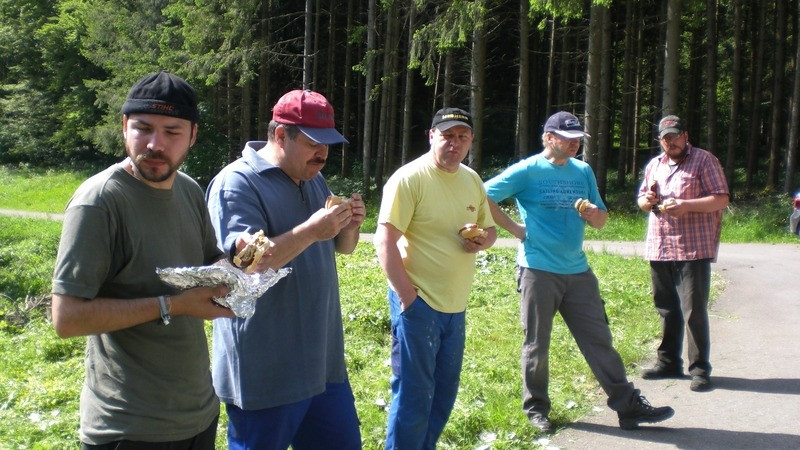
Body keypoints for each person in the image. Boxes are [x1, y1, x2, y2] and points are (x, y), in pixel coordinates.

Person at [50, 71, 238, 448]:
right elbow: (66, 318)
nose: (155, 144)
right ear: (124, 127)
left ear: (192, 136)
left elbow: (209, 261)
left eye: (172, 131)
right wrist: (173, 305)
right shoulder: (100, 202)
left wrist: (238, 263)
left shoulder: (188, 190)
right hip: (130, 427)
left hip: (198, 412)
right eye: (143, 128)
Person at [484, 111, 675, 432]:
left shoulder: (582, 171)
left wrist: (591, 212)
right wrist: (515, 229)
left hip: (577, 272)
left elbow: (601, 221)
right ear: (548, 138)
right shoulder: (528, 170)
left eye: (577, 139)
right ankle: (536, 410)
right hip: (537, 270)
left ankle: (627, 407)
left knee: (599, 340)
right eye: (567, 138)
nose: (574, 144)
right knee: (537, 343)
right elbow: (483, 193)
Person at [205, 89, 364, 450]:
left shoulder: (313, 177)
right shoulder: (236, 183)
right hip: (266, 373)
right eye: (313, 143)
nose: (323, 153)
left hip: (323, 365)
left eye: (328, 143)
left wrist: (349, 225)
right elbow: (245, 263)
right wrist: (312, 230)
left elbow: (344, 248)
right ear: (280, 135)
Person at [374, 107, 497, 449]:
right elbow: (384, 242)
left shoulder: (471, 179)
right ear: (431, 136)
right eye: (446, 136)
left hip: (455, 306)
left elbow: (489, 230)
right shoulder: (410, 178)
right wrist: (408, 299)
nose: (454, 144)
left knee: (443, 393)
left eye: (462, 137)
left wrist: (481, 241)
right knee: (414, 395)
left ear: (470, 140)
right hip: (419, 303)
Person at [636, 115, 729, 392]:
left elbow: (721, 198)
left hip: (693, 248)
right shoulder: (654, 165)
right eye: (665, 138)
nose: (671, 142)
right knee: (665, 308)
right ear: (660, 140)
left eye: (675, 136)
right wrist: (647, 201)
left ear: (685, 135)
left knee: (693, 311)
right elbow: (642, 200)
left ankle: (699, 369)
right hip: (660, 247)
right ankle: (668, 363)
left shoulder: (704, 160)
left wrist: (686, 205)